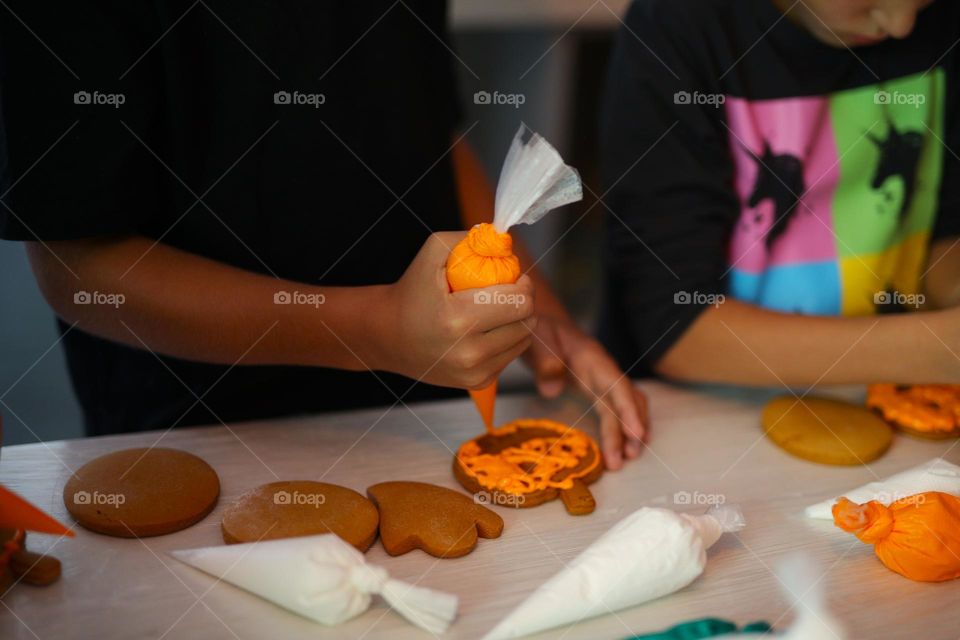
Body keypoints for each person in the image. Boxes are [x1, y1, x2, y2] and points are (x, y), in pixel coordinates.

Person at [0, 1, 646, 468]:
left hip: (417, 421)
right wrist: (371, 328)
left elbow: (429, 133)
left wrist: (540, 307)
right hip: (197, 436)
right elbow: (78, 265)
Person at [600, 0, 960, 386]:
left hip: (895, 383)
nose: (901, 24)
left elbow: (944, 233)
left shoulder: (941, 21)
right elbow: (674, 328)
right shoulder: (678, 23)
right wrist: (935, 350)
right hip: (703, 405)